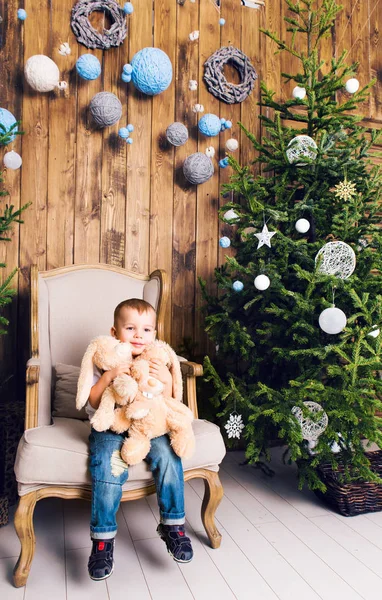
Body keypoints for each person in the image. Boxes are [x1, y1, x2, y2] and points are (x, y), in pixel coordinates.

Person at [85, 298, 193, 581]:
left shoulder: (158, 361)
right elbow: (94, 401)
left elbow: (170, 402)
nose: (138, 336)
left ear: (154, 334)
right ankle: (102, 539)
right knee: (109, 468)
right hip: (111, 427)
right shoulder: (106, 358)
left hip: (148, 428)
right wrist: (109, 376)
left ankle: (173, 525)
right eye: (130, 328)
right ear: (114, 332)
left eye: (146, 330)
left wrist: (168, 382)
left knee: (169, 457)